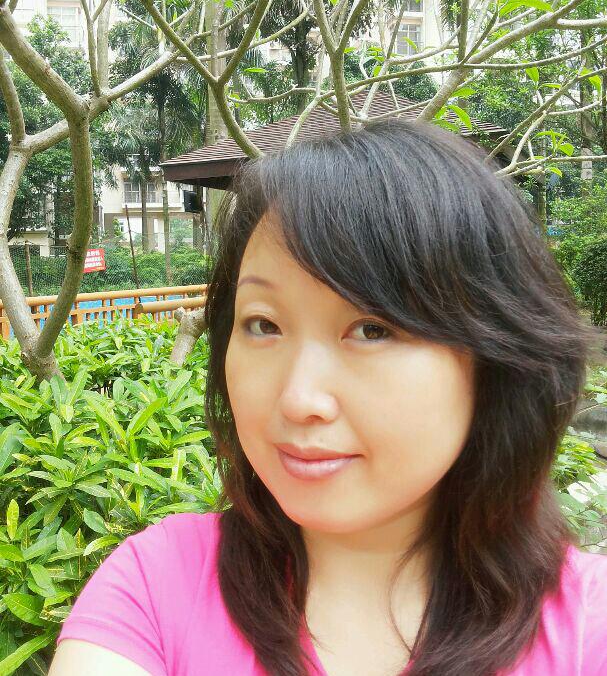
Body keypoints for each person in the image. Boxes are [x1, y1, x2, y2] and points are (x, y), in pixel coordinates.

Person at [48, 119, 607, 676]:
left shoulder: (587, 627)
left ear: (494, 360)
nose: (298, 400)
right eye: (264, 324)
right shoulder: (156, 586)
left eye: (372, 329)